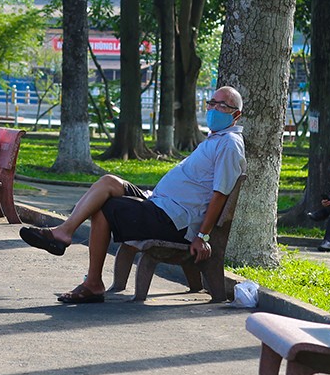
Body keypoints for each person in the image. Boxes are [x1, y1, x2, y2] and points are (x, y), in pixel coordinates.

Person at [17, 85, 246, 303]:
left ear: (235, 115)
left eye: (222, 106)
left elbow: (220, 194)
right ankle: (64, 232)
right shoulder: (216, 139)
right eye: (211, 103)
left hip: (175, 220)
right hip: (159, 204)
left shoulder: (229, 144)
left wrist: (202, 237)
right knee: (109, 182)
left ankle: (93, 283)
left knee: (106, 207)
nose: (214, 109)